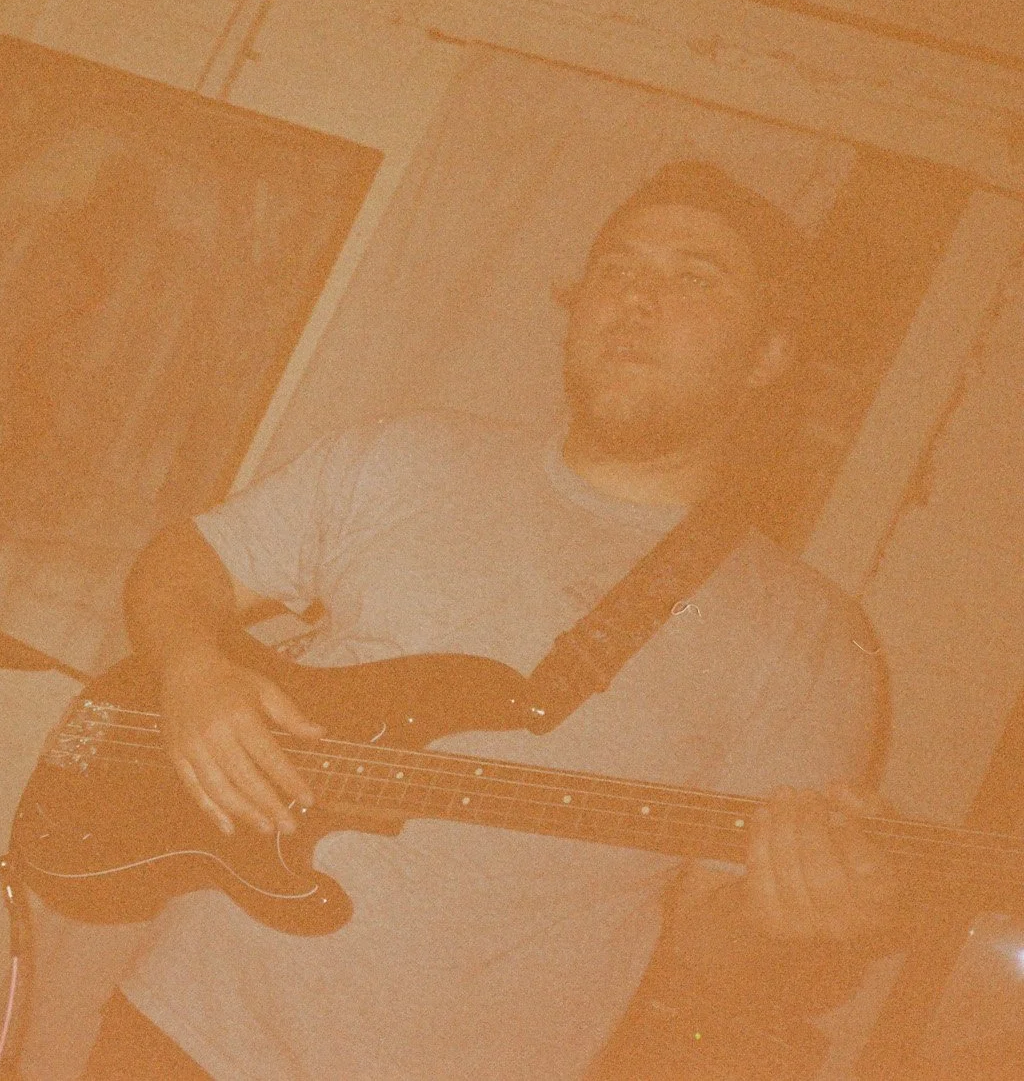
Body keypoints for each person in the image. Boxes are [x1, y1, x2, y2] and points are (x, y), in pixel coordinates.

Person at [87, 162, 895, 1079]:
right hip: (190, 1025)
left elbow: (712, 948)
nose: (635, 297)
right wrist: (194, 673)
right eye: (616, 265)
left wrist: (786, 913)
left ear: (769, 356)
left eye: (694, 277)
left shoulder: (812, 643)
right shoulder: (405, 459)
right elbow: (184, 564)